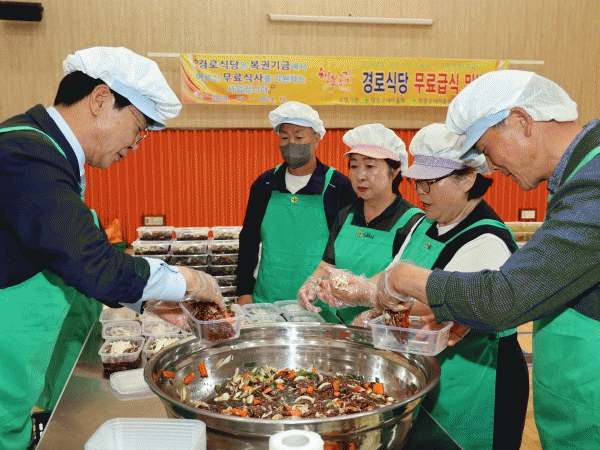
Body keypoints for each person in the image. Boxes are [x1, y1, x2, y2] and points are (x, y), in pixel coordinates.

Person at [0, 46, 224, 450]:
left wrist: (150, 301)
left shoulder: (48, 155)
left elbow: (69, 254)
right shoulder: (25, 155)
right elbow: (91, 263)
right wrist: (188, 280)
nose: (136, 145)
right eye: (138, 128)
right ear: (101, 100)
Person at [372, 70, 600, 450]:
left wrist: (401, 278)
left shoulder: (594, 184)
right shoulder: (577, 180)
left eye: (486, 148)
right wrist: (464, 311)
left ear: (521, 122)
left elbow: (505, 296)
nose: (490, 167)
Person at [319, 123, 529, 449]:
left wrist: (368, 295)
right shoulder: (426, 225)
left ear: (467, 178)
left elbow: (443, 304)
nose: (421, 192)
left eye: (431, 182)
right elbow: (391, 278)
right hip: (429, 371)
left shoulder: (487, 239)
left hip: (479, 383)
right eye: (418, 181)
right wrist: (365, 299)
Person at [296, 123, 425, 324]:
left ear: (395, 170)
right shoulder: (345, 215)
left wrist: (372, 312)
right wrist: (311, 283)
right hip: (343, 327)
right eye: (354, 166)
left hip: (385, 330)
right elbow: (327, 266)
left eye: (370, 166)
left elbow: (408, 287)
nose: (360, 175)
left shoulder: (413, 222)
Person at [235, 101, 355, 307]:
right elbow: (249, 240)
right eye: (284, 137)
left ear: (316, 139)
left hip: (319, 302)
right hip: (268, 299)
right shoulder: (265, 184)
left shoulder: (338, 186)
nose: (291, 143)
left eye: (299, 137)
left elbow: (347, 248)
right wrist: (244, 290)